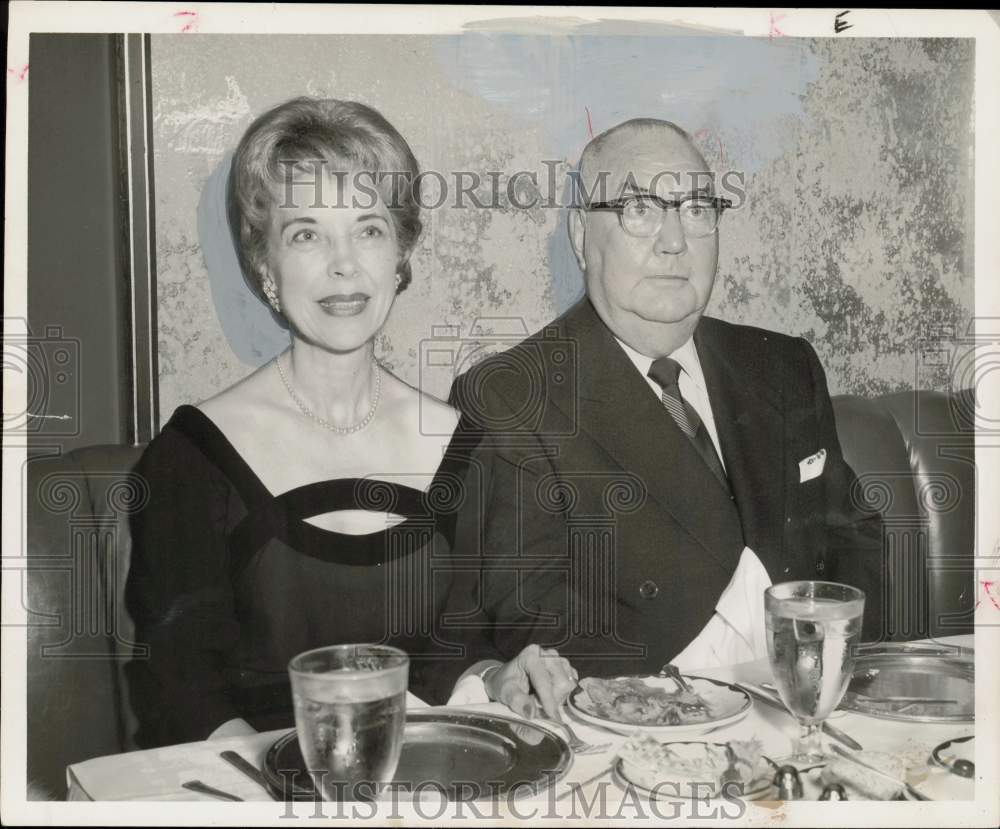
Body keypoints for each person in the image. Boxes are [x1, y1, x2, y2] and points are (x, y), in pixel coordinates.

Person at [124, 97, 575, 748]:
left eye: (368, 228)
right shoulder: (192, 457)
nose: (344, 265)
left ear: (400, 253)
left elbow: (454, 663)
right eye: (306, 233)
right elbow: (183, 694)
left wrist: (501, 677)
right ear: (264, 268)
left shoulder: (463, 448)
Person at [449, 118, 884, 682]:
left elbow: (852, 537)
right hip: (648, 730)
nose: (675, 240)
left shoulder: (784, 366)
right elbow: (531, 625)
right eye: (639, 209)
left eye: (698, 210)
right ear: (581, 237)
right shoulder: (512, 396)